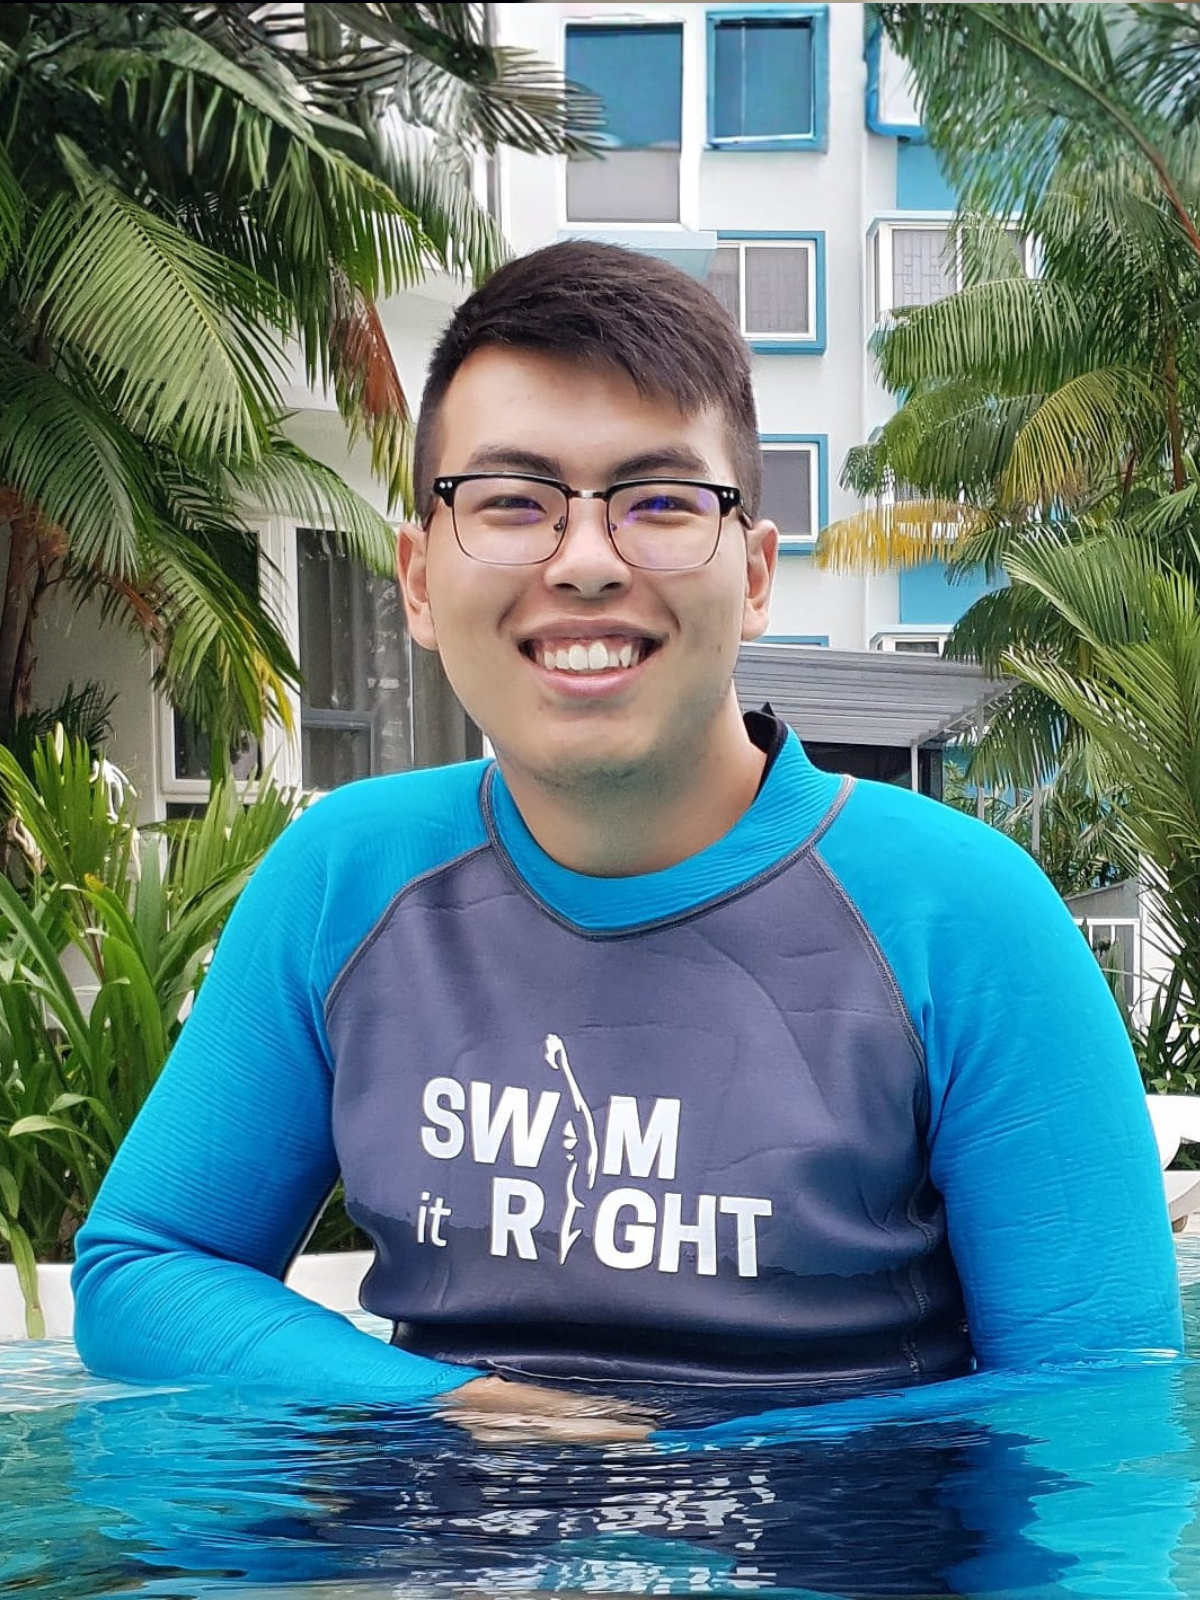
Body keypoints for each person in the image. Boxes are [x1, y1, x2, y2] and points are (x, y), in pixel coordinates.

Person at [71, 241, 1182, 1444]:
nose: (587, 562)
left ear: (754, 574)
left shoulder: (965, 920)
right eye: (510, 502)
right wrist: (457, 1406)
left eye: (659, 503)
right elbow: (146, 1264)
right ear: (418, 581)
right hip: (442, 1542)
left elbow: (1098, 1409)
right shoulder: (345, 879)